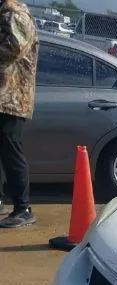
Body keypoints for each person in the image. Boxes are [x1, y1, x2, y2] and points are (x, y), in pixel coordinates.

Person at [0, 0, 38, 229]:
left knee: (11, 152)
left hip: (12, 98)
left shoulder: (14, 13)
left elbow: (15, 47)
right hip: (3, 97)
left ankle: (23, 209)